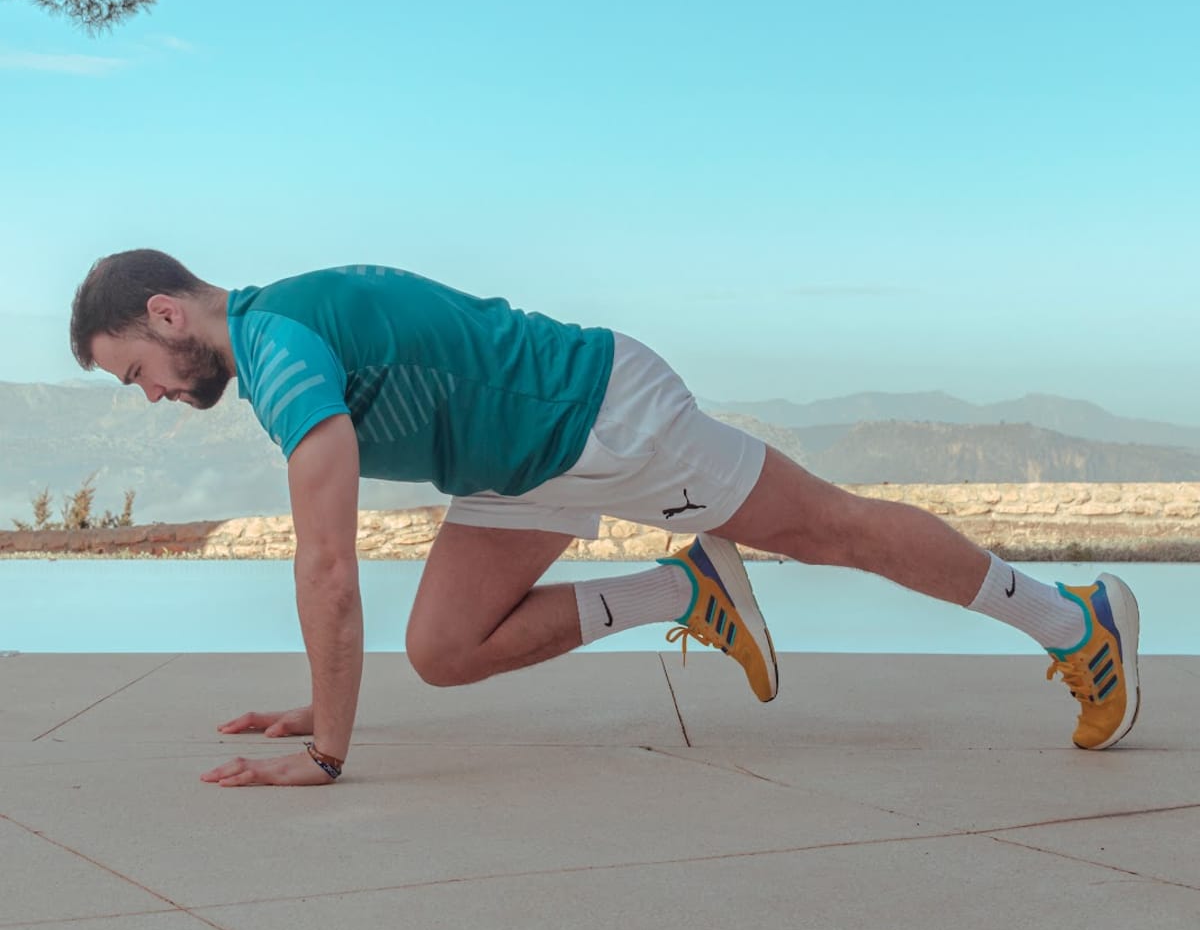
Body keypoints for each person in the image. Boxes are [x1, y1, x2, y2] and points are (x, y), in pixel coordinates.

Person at [70, 249, 1141, 788]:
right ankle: (686, 587)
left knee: (831, 526)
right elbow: (335, 577)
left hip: (601, 415)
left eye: (136, 372)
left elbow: (328, 566)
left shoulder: (281, 346)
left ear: (167, 314)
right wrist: (318, 700)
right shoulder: (273, 344)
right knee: (443, 647)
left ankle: (1074, 620)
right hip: (522, 463)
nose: (152, 395)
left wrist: (331, 751)